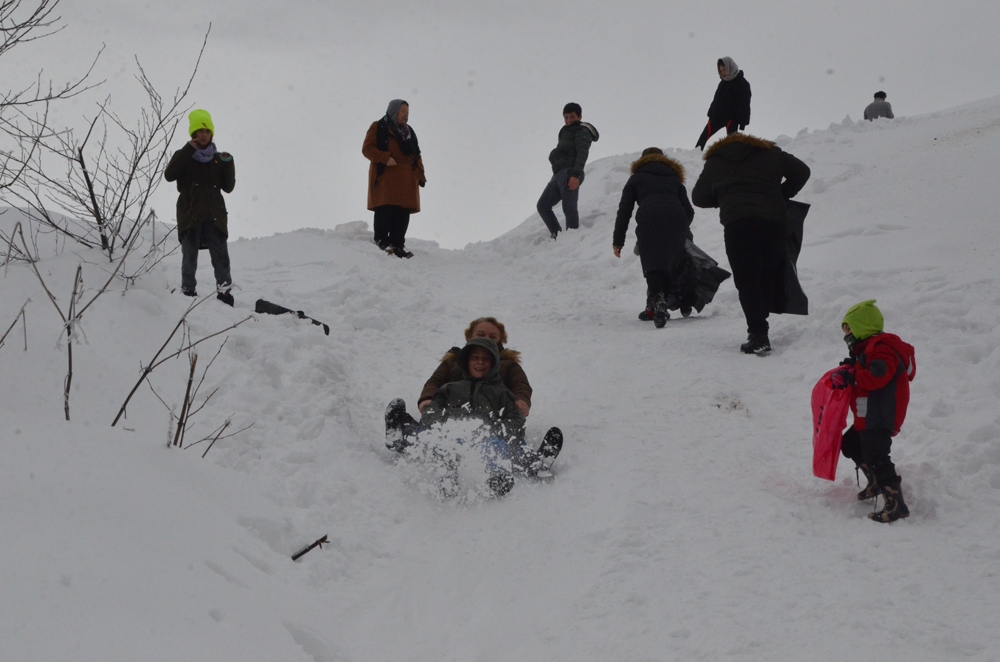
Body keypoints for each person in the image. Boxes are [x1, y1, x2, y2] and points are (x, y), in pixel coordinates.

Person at [385, 338, 562, 496]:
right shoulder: (451, 388)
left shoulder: (502, 393)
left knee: (497, 447)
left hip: (487, 438)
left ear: (494, 363)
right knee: (431, 440)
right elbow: (433, 409)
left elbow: (515, 421)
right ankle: (405, 439)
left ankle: (511, 473)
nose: (480, 363)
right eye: (475, 358)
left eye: (486, 359)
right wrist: (442, 424)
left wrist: (494, 430)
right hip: (451, 435)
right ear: (466, 361)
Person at [691, 133, 811, 354]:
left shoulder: (716, 161)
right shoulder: (771, 153)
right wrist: (781, 194)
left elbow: (698, 197)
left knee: (747, 280)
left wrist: (726, 199)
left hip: (738, 224)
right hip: (773, 223)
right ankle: (760, 322)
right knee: (767, 272)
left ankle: (758, 333)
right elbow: (802, 171)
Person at [829, 300, 916, 523]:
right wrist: (852, 367)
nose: (846, 335)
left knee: (877, 456)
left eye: (848, 329)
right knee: (850, 444)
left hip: (880, 415)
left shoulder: (882, 349)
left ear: (862, 328)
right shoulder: (869, 350)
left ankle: (896, 505)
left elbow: (877, 377)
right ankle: (876, 482)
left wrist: (853, 376)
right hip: (868, 414)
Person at [612, 147, 694, 328]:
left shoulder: (636, 178)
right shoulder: (674, 178)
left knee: (652, 263)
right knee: (669, 261)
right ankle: (654, 306)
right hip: (677, 219)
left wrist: (618, 240)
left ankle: (658, 301)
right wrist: (682, 230)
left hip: (650, 218)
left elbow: (624, 211)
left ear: (643, 160)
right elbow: (689, 210)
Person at [164, 109, 236, 305]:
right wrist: (188, 150)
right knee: (189, 256)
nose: (203, 134)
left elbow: (228, 187)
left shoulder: (219, 159)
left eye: (207, 131)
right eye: (199, 131)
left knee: (220, 256)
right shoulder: (184, 155)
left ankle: (225, 293)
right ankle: (188, 291)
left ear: (211, 133)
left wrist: (228, 163)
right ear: (193, 134)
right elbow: (169, 175)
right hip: (190, 213)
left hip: (214, 215)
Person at [417, 317, 532, 416]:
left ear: (500, 340)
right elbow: (435, 381)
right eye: (480, 334)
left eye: (492, 336)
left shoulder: (508, 363)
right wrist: (427, 398)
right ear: (470, 336)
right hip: (453, 414)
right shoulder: (453, 361)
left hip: (493, 416)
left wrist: (521, 400)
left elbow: (520, 385)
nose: (486, 338)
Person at [362, 99, 426, 258]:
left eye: (408, 113)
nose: (406, 115)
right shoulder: (379, 127)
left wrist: (420, 175)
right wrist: (384, 157)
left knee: (402, 213)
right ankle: (382, 241)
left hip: (407, 179)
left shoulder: (410, 132)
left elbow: (417, 155)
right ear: (394, 111)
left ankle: (398, 245)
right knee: (385, 208)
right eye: (403, 112)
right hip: (386, 176)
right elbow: (367, 149)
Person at [537, 103, 600, 239]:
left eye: (572, 116)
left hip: (570, 173)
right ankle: (558, 237)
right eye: (566, 117)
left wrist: (575, 175)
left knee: (568, 207)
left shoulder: (581, 131)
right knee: (542, 206)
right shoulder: (566, 131)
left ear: (579, 116)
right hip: (558, 175)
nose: (569, 120)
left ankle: (573, 239)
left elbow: (582, 154)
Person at [695, 57, 752, 151]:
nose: (723, 73)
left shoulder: (743, 84)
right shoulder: (723, 82)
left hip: (732, 119)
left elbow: (744, 105)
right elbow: (716, 99)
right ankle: (695, 156)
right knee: (703, 137)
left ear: (730, 67)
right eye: (721, 71)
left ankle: (733, 162)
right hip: (717, 117)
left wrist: (742, 123)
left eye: (724, 70)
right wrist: (711, 113)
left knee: (733, 144)